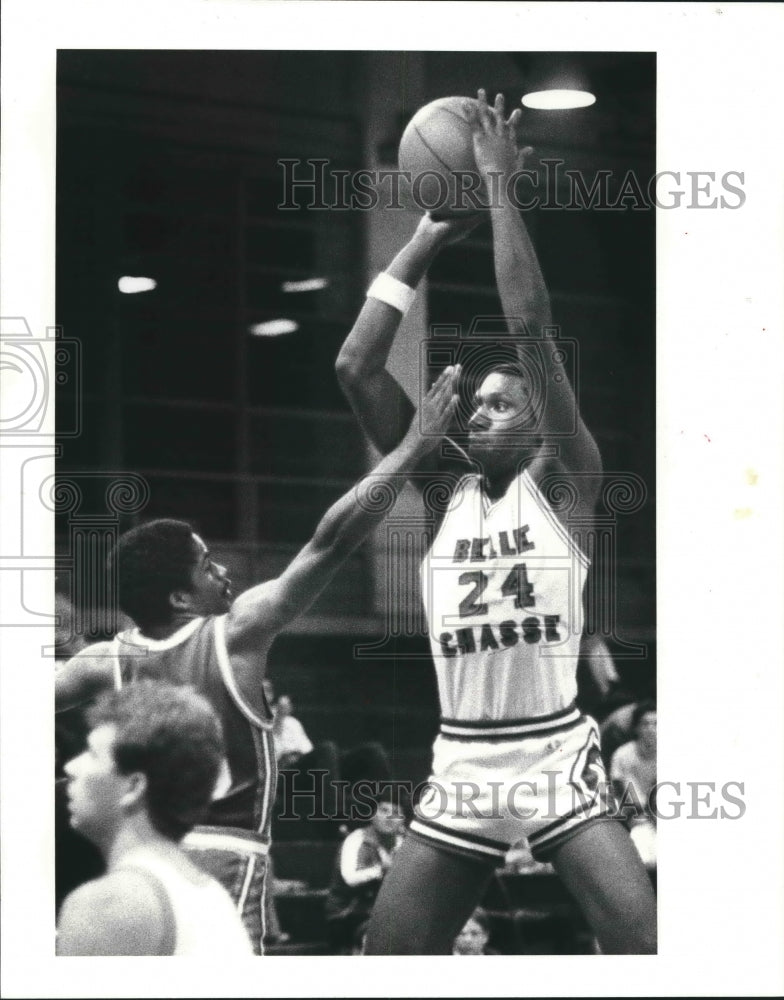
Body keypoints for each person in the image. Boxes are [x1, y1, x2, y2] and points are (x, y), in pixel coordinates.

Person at [336, 89, 657, 955]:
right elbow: (356, 364)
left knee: (648, 949)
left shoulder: (566, 483)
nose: (479, 411)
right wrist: (422, 242)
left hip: (556, 756)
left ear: (540, 419)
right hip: (465, 762)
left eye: (502, 401)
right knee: (388, 959)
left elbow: (529, 321)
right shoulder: (446, 492)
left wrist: (495, 182)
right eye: (474, 402)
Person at [54, 366, 459, 953]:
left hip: (139, 853)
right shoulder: (236, 632)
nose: (223, 570)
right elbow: (332, 540)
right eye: (206, 564)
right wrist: (415, 446)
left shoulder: (98, 662)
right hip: (222, 857)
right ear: (179, 597)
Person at [57, 681, 252, 955]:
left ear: (133, 787)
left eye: (91, 753)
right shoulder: (212, 895)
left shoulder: (111, 903)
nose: (70, 767)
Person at [324, 798, 405, 954]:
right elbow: (350, 878)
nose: (389, 817)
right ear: (372, 816)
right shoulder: (357, 839)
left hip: (382, 913)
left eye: (396, 813)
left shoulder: (402, 843)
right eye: (384, 811)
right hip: (348, 913)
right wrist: (380, 870)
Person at [610, 702, 657, 867]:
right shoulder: (623, 755)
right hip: (636, 819)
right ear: (636, 728)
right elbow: (619, 794)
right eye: (645, 724)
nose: (651, 729)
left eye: (656, 724)